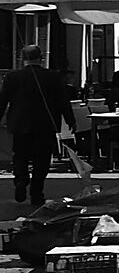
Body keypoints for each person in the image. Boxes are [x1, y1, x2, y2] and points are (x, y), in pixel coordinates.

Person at [3, 43, 70, 208]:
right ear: (41, 58)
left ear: (22, 59)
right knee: (42, 160)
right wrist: (70, 119)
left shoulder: (12, 77)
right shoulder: (53, 76)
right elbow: (62, 101)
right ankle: (36, 192)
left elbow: (3, 100)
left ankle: (21, 179)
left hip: (19, 124)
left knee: (19, 155)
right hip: (45, 124)